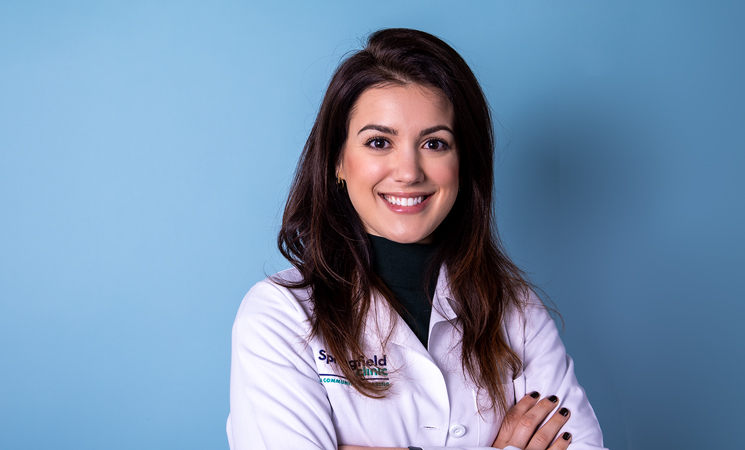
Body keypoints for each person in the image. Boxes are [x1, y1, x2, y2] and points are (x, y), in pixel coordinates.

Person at [227, 28, 607, 450]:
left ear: (464, 163)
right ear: (338, 160)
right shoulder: (281, 316)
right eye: (379, 142)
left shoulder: (514, 311)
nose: (409, 172)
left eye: (434, 143)